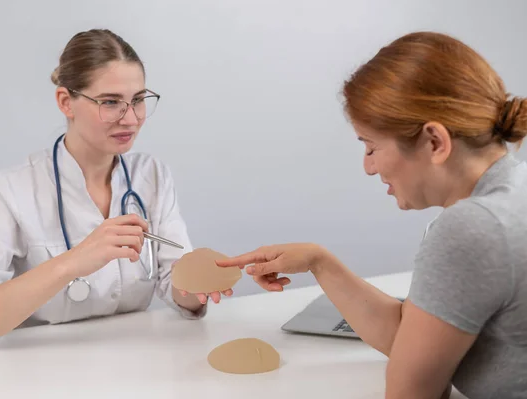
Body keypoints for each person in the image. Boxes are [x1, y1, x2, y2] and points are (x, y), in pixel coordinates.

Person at [217, 32, 527, 399]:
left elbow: (411, 392)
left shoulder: (471, 228)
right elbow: (410, 337)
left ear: (434, 142)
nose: (368, 167)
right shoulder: (511, 193)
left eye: (371, 147)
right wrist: (319, 261)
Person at [0, 28, 230, 353]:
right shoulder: (8, 191)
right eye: (110, 102)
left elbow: (174, 283)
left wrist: (196, 287)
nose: (131, 119)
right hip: (37, 370)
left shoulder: (153, 176)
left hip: (136, 361)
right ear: (66, 102)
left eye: (138, 101)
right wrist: (73, 262)